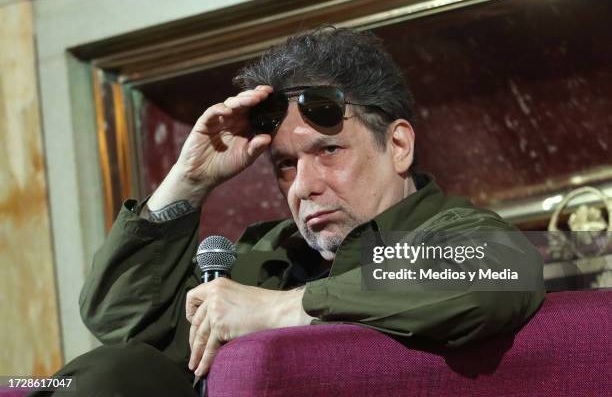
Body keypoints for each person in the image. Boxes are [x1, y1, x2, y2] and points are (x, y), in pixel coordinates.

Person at [30, 26, 544, 396]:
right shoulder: (265, 252)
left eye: (328, 151)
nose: (302, 186)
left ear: (399, 145)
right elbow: (122, 318)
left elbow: (499, 273)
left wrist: (283, 308)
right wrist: (187, 182)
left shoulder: (452, 232)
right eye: (283, 165)